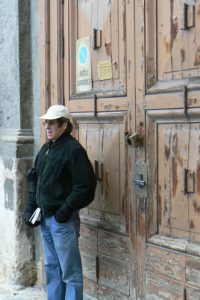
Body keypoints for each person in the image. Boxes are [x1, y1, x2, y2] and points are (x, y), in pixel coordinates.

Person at [24, 105, 97, 300]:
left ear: (64, 125)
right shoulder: (47, 149)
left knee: (70, 272)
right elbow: (37, 180)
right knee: (52, 268)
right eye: (46, 122)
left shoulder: (73, 150)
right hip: (47, 219)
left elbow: (85, 188)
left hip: (62, 221)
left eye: (52, 122)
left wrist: (64, 211)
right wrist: (32, 206)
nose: (47, 126)